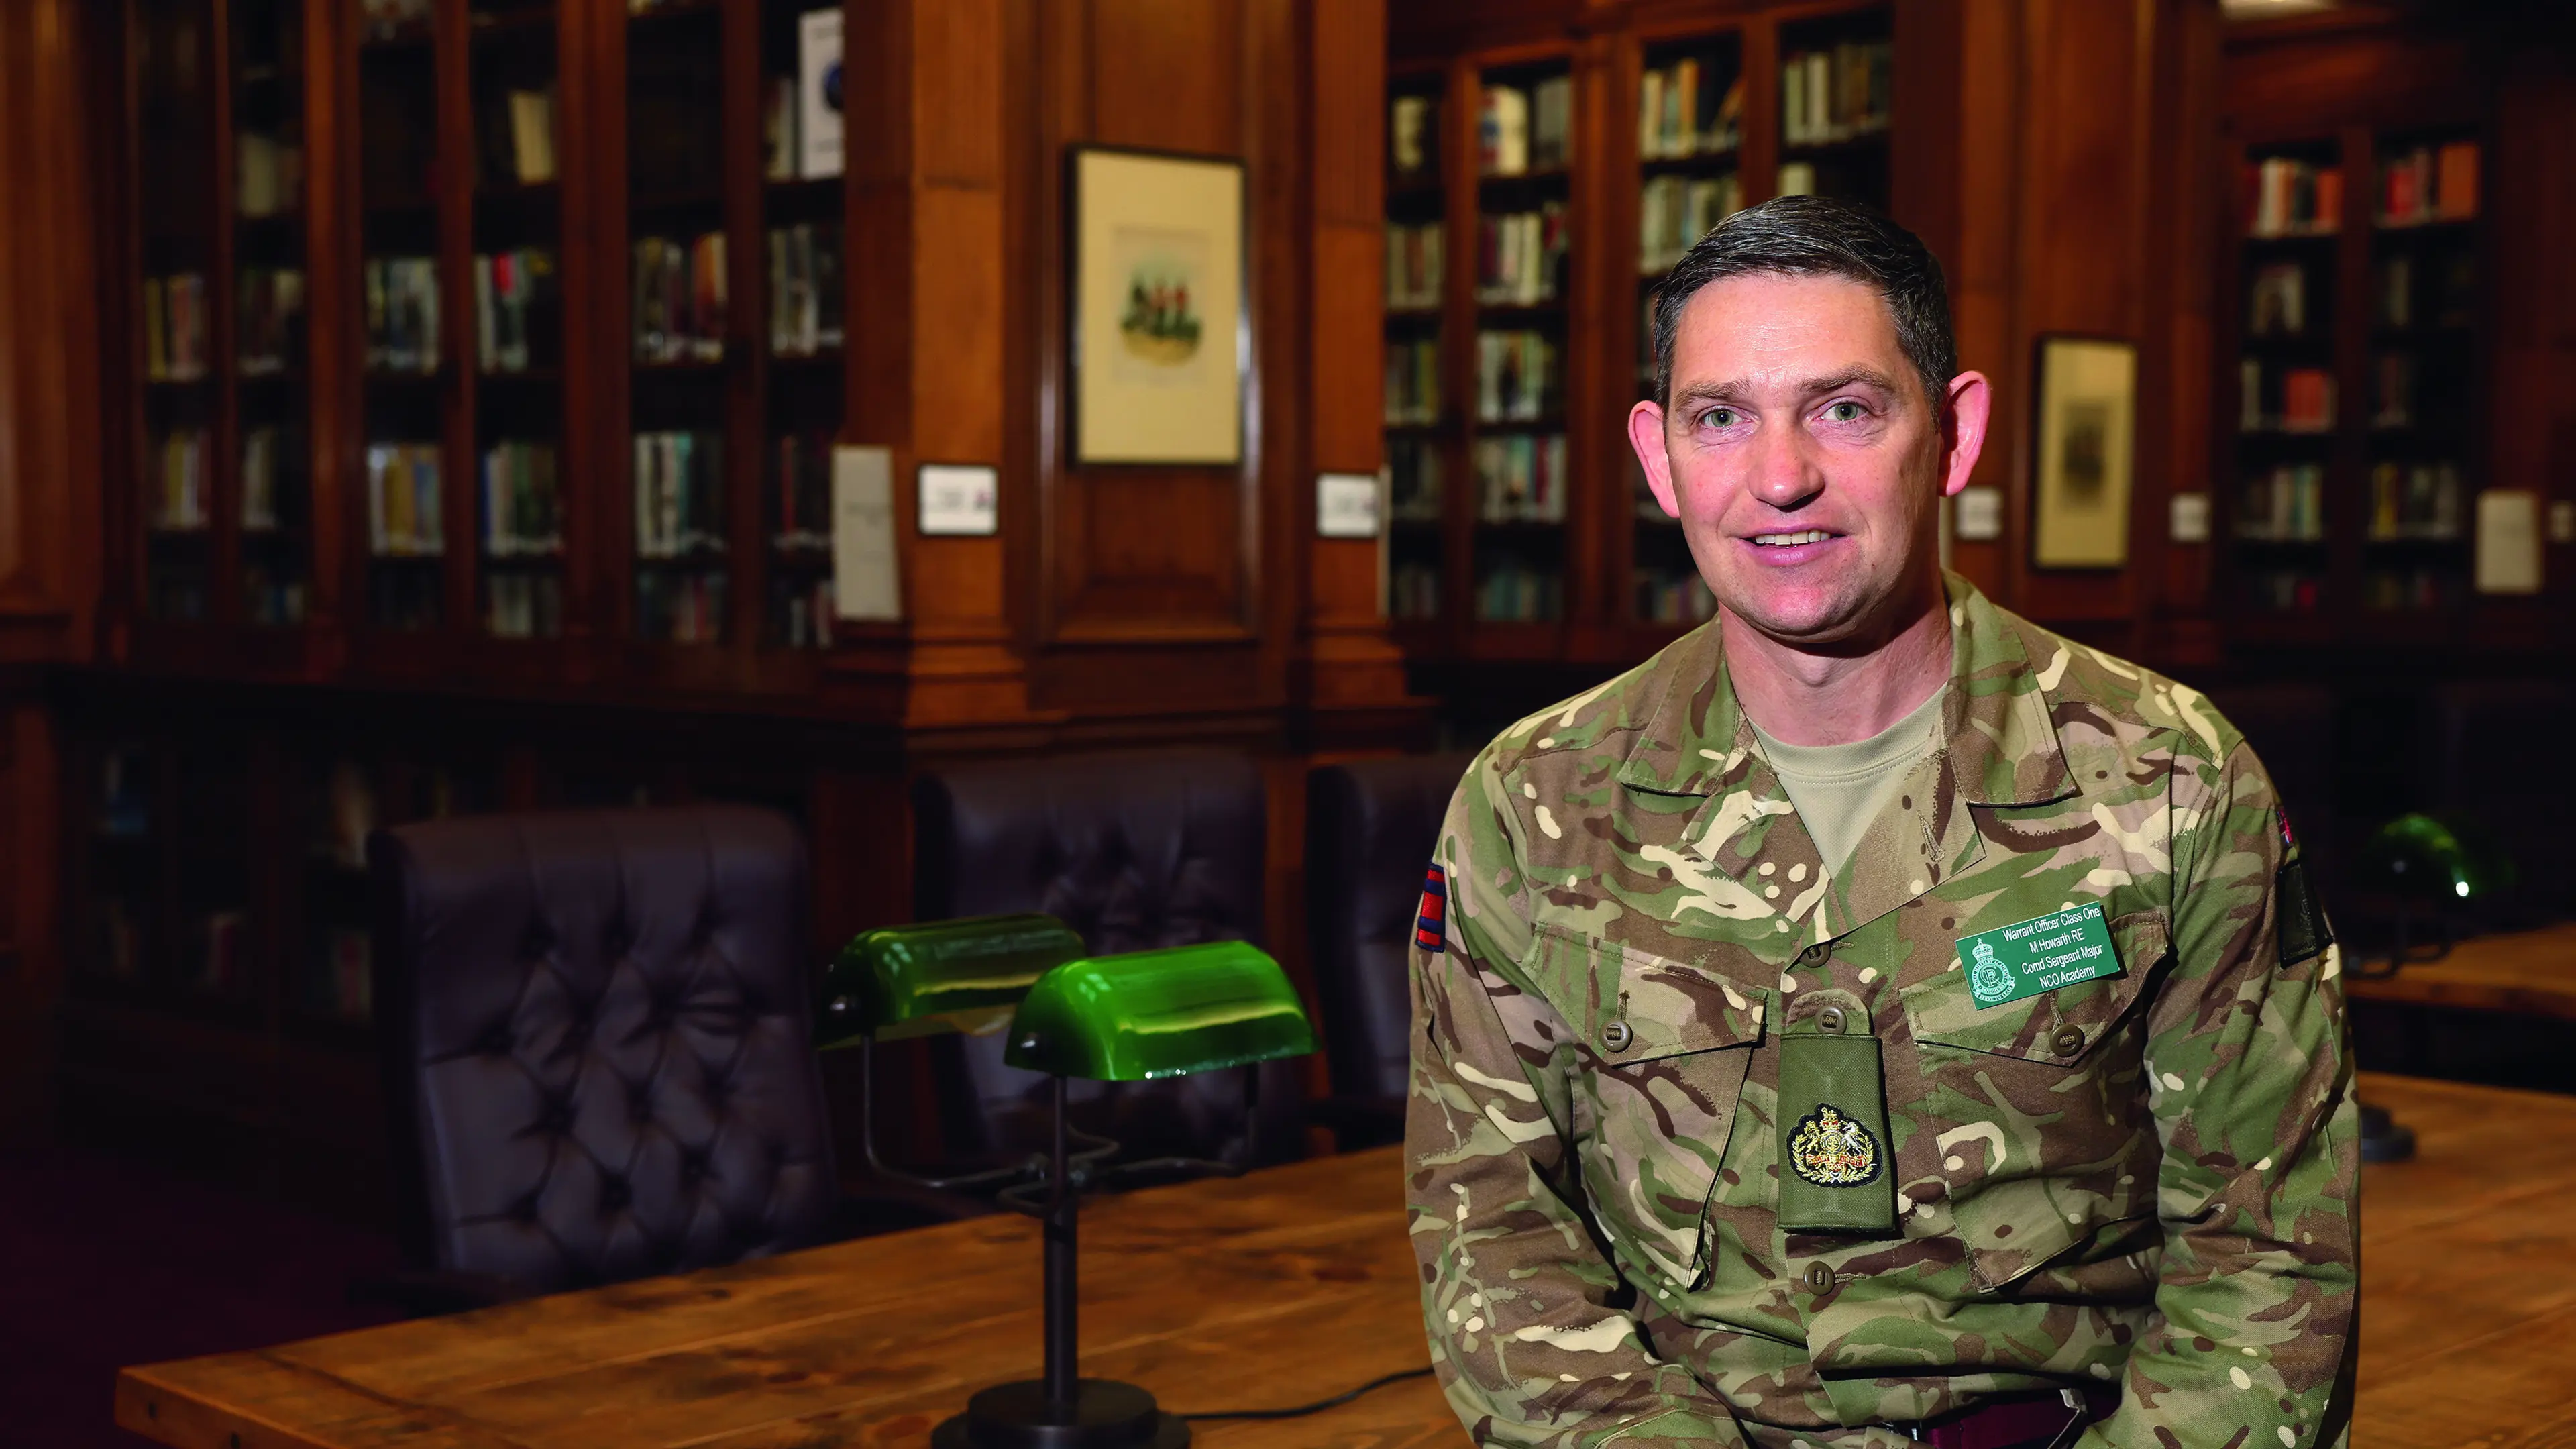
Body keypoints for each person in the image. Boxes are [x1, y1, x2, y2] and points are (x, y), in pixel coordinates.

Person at [1405, 196, 2356, 1449]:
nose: (1780, 475)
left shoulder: (2167, 776)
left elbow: (2269, 1249)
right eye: (1721, 417)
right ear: (1658, 457)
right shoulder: (1535, 804)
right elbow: (1493, 1233)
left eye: (1845, 409)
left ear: (1954, 434)